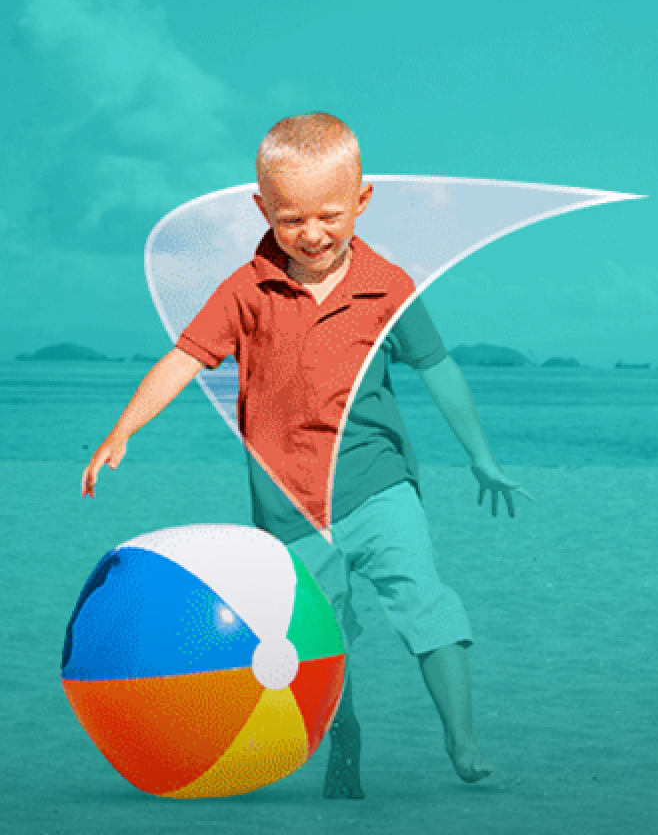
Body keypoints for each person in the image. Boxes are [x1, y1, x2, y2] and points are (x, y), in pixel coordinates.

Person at [82, 112, 532, 798]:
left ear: (362, 201)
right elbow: (184, 359)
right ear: (263, 208)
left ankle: (462, 739)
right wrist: (123, 429)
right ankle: (342, 739)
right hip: (288, 507)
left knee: (424, 599)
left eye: (329, 215)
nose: (312, 235)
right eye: (291, 220)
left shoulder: (390, 285)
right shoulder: (244, 290)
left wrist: (481, 457)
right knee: (323, 640)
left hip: (379, 486)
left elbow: (439, 370)